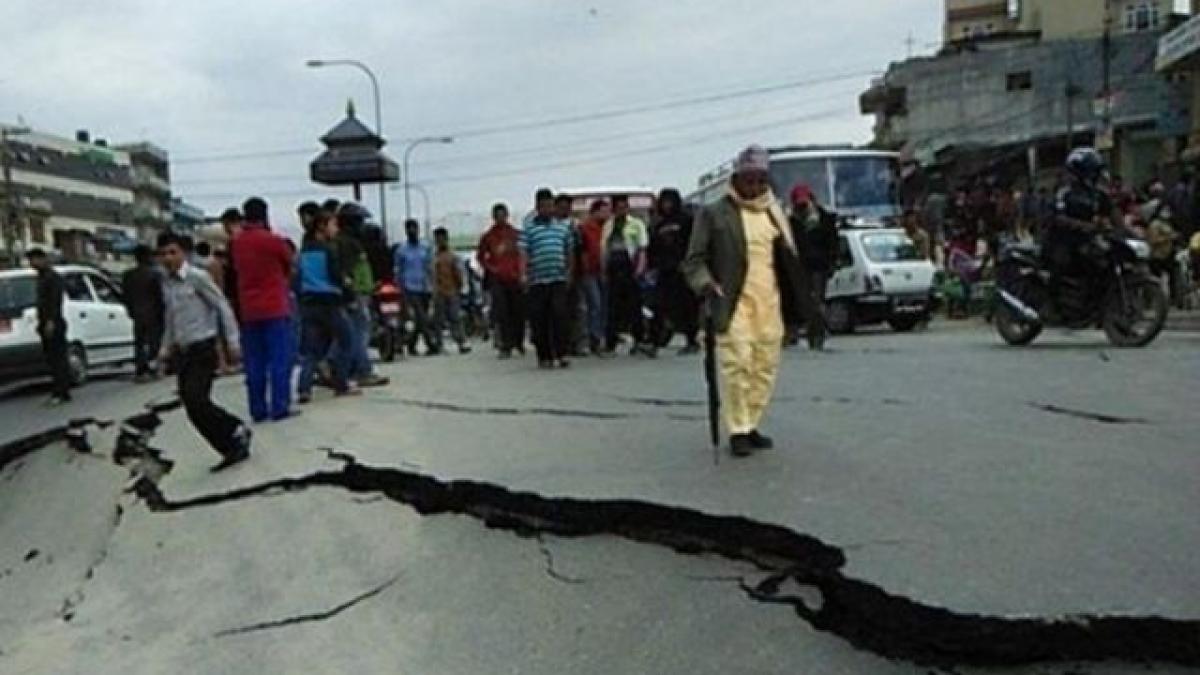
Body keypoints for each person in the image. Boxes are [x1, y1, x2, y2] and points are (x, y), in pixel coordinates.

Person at [682, 145, 807, 458]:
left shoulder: (774, 212)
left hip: (770, 301)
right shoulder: (714, 213)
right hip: (732, 301)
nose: (753, 187)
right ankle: (737, 429)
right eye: (748, 180)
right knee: (737, 364)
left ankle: (751, 422)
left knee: (764, 366)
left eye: (760, 180)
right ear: (736, 179)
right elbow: (693, 261)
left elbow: (789, 258)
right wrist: (706, 283)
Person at [156, 232, 252, 473]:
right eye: (163, 254)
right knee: (191, 405)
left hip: (204, 348)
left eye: (173, 252)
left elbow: (222, 306)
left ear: (184, 254)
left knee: (196, 399)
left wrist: (233, 341)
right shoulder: (166, 283)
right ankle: (230, 446)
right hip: (184, 352)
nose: (168, 258)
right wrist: (164, 348)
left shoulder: (197, 278)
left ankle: (234, 429)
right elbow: (171, 319)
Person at [230, 197, 295, 423]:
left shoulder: (237, 243)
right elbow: (289, 265)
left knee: (254, 362)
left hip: (248, 309)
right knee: (279, 359)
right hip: (275, 307)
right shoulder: (274, 241)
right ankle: (280, 406)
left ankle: (257, 409)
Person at [296, 210, 359, 403]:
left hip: (309, 303)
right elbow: (335, 276)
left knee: (312, 350)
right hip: (330, 302)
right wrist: (349, 290)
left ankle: (304, 388)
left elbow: (297, 277)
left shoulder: (304, 250)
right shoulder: (329, 249)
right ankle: (341, 383)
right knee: (347, 341)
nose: (336, 229)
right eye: (333, 225)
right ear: (322, 227)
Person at [520, 188, 574, 369]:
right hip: (537, 281)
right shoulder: (529, 229)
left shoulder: (562, 227)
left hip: (558, 278)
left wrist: (569, 271)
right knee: (539, 319)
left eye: (550, 205)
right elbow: (523, 253)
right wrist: (523, 274)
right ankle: (545, 356)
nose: (548, 209)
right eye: (544, 206)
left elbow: (569, 250)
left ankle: (562, 352)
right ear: (537, 207)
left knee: (560, 315)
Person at [648, 188, 700, 355]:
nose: (667, 205)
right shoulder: (658, 224)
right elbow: (653, 248)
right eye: (664, 202)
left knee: (687, 306)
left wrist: (689, 262)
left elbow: (694, 243)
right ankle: (654, 342)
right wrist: (653, 266)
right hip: (664, 270)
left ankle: (692, 340)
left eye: (670, 201)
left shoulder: (686, 220)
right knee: (658, 305)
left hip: (683, 269)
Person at [789, 183, 837, 350]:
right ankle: (812, 332)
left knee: (817, 301)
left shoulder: (825, 219)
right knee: (806, 303)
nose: (802, 207)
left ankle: (818, 334)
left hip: (820, 267)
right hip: (801, 268)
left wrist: (832, 263)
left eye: (805, 203)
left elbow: (833, 243)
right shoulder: (791, 222)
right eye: (799, 204)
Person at [602, 194, 651, 356]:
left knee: (634, 306)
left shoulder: (636, 224)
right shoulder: (609, 225)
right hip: (613, 268)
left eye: (624, 207)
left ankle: (639, 340)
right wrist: (604, 270)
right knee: (613, 308)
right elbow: (604, 249)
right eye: (618, 207)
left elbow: (642, 248)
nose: (621, 210)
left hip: (630, 267)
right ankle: (610, 343)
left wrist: (640, 268)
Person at [477, 203, 526, 359]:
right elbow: (481, 257)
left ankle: (518, 342)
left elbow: (523, 254)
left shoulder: (516, 234)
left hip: (515, 278)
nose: (500, 218)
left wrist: (522, 272)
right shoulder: (488, 236)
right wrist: (491, 269)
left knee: (518, 312)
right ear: (493, 217)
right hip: (498, 280)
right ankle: (506, 345)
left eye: (503, 215)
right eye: (497, 216)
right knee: (502, 313)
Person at [26, 249, 72, 405]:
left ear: (43, 259)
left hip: (54, 322)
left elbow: (55, 302)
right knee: (51, 359)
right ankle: (59, 390)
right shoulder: (41, 278)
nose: (32, 264)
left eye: (34, 260)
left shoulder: (53, 278)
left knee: (58, 357)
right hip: (44, 322)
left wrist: (51, 321)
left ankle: (61, 391)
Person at [394, 218, 439, 356]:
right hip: (409, 287)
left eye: (414, 228)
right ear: (406, 231)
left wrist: (433, 285)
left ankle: (410, 343)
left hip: (425, 287)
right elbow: (398, 270)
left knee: (422, 318)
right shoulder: (401, 250)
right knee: (421, 316)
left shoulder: (425, 247)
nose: (412, 231)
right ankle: (431, 344)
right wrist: (400, 288)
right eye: (409, 228)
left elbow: (430, 267)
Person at [121, 245, 165, 383]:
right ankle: (155, 367)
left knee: (139, 342)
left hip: (137, 313)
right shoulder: (155, 274)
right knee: (154, 341)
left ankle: (141, 369)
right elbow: (160, 296)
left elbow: (125, 295)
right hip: (154, 312)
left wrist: (130, 310)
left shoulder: (128, 275)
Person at [576, 199, 610, 356]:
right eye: (603, 211)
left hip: (604, 271)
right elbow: (582, 251)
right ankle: (593, 338)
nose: (606, 214)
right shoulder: (585, 228)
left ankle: (600, 336)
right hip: (589, 272)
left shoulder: (607, 228)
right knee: (594, 305)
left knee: (603, 305)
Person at [432, 227, 471, 354]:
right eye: (438, 239)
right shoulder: (433, 257)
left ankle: (461, 341)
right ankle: (439, 344)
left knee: (455, 317)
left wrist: (461, 287)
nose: (440, 241)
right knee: (438, 319)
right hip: (438, 291)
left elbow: (459, 273)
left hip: (452, 290)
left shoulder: (453, 256)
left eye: (442, 238)